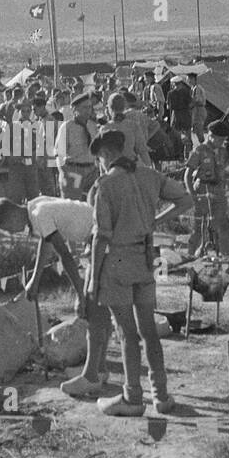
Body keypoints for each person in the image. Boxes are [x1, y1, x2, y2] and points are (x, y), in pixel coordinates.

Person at [87, 128, 193, 416]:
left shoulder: (105, 185)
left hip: (117, 261)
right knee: (150, 332)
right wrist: (155, 220)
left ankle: (132, 397)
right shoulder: (150, 175)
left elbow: (101, 236)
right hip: (146, 258)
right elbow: (186, 200)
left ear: (105, 155)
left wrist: (94, 278)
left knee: (126, 334)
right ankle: (161, 396)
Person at [0, 193, 112, 398]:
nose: (13, 233)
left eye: (9, 229)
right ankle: (100, 368)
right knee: (99, 311)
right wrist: (35, 279)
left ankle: (94, 374)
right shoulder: (35, 205)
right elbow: (46, 243)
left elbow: (65, 256)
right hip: (99, 233)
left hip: (100, 238)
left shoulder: (39, 215)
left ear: (12, 217)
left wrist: (80, 294)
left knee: (91, 308)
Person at [184, 119, 229, 259]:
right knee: (198, 227)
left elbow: (222, 171)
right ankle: (190, 258)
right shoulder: (199, 151)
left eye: (224, 139)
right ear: (211, 135)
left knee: (221, 226)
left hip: (218, 190)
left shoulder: (223, 151)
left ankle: (226, 261)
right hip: (202, 189)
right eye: (220, 138)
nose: (222, 141)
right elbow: (187, 175)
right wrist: (193, 196)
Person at [55, 92, 99, 200]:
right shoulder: (67, 127)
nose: (88, 111)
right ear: (74, 110)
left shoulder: (93, 126)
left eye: (89, 107)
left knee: (91, 206)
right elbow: (59, 153)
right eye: (84, 108)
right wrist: (64, 171)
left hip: (91, 171)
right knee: (72, 206)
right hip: (73, 171)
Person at [166, 75, 194, 155]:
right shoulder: (186, 92)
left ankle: (179, 154)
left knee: (177, 136)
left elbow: (168, 107)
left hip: (176, 116)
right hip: (185, 115)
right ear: (181, 84)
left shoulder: (170, 93)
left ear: (173, 84)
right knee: (187, 136)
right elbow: (191, 104)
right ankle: (187, 154)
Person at [189, 73, 208, 144]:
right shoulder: (193, 88)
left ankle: (203, 144)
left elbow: (196, 100)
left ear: (194, 79)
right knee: (196, 128)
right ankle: (202, 143)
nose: (189, 80)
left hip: (199, 109)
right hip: (197, 109)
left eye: (190, 79)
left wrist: (189, 106)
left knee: (198, 128)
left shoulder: (197, 88)